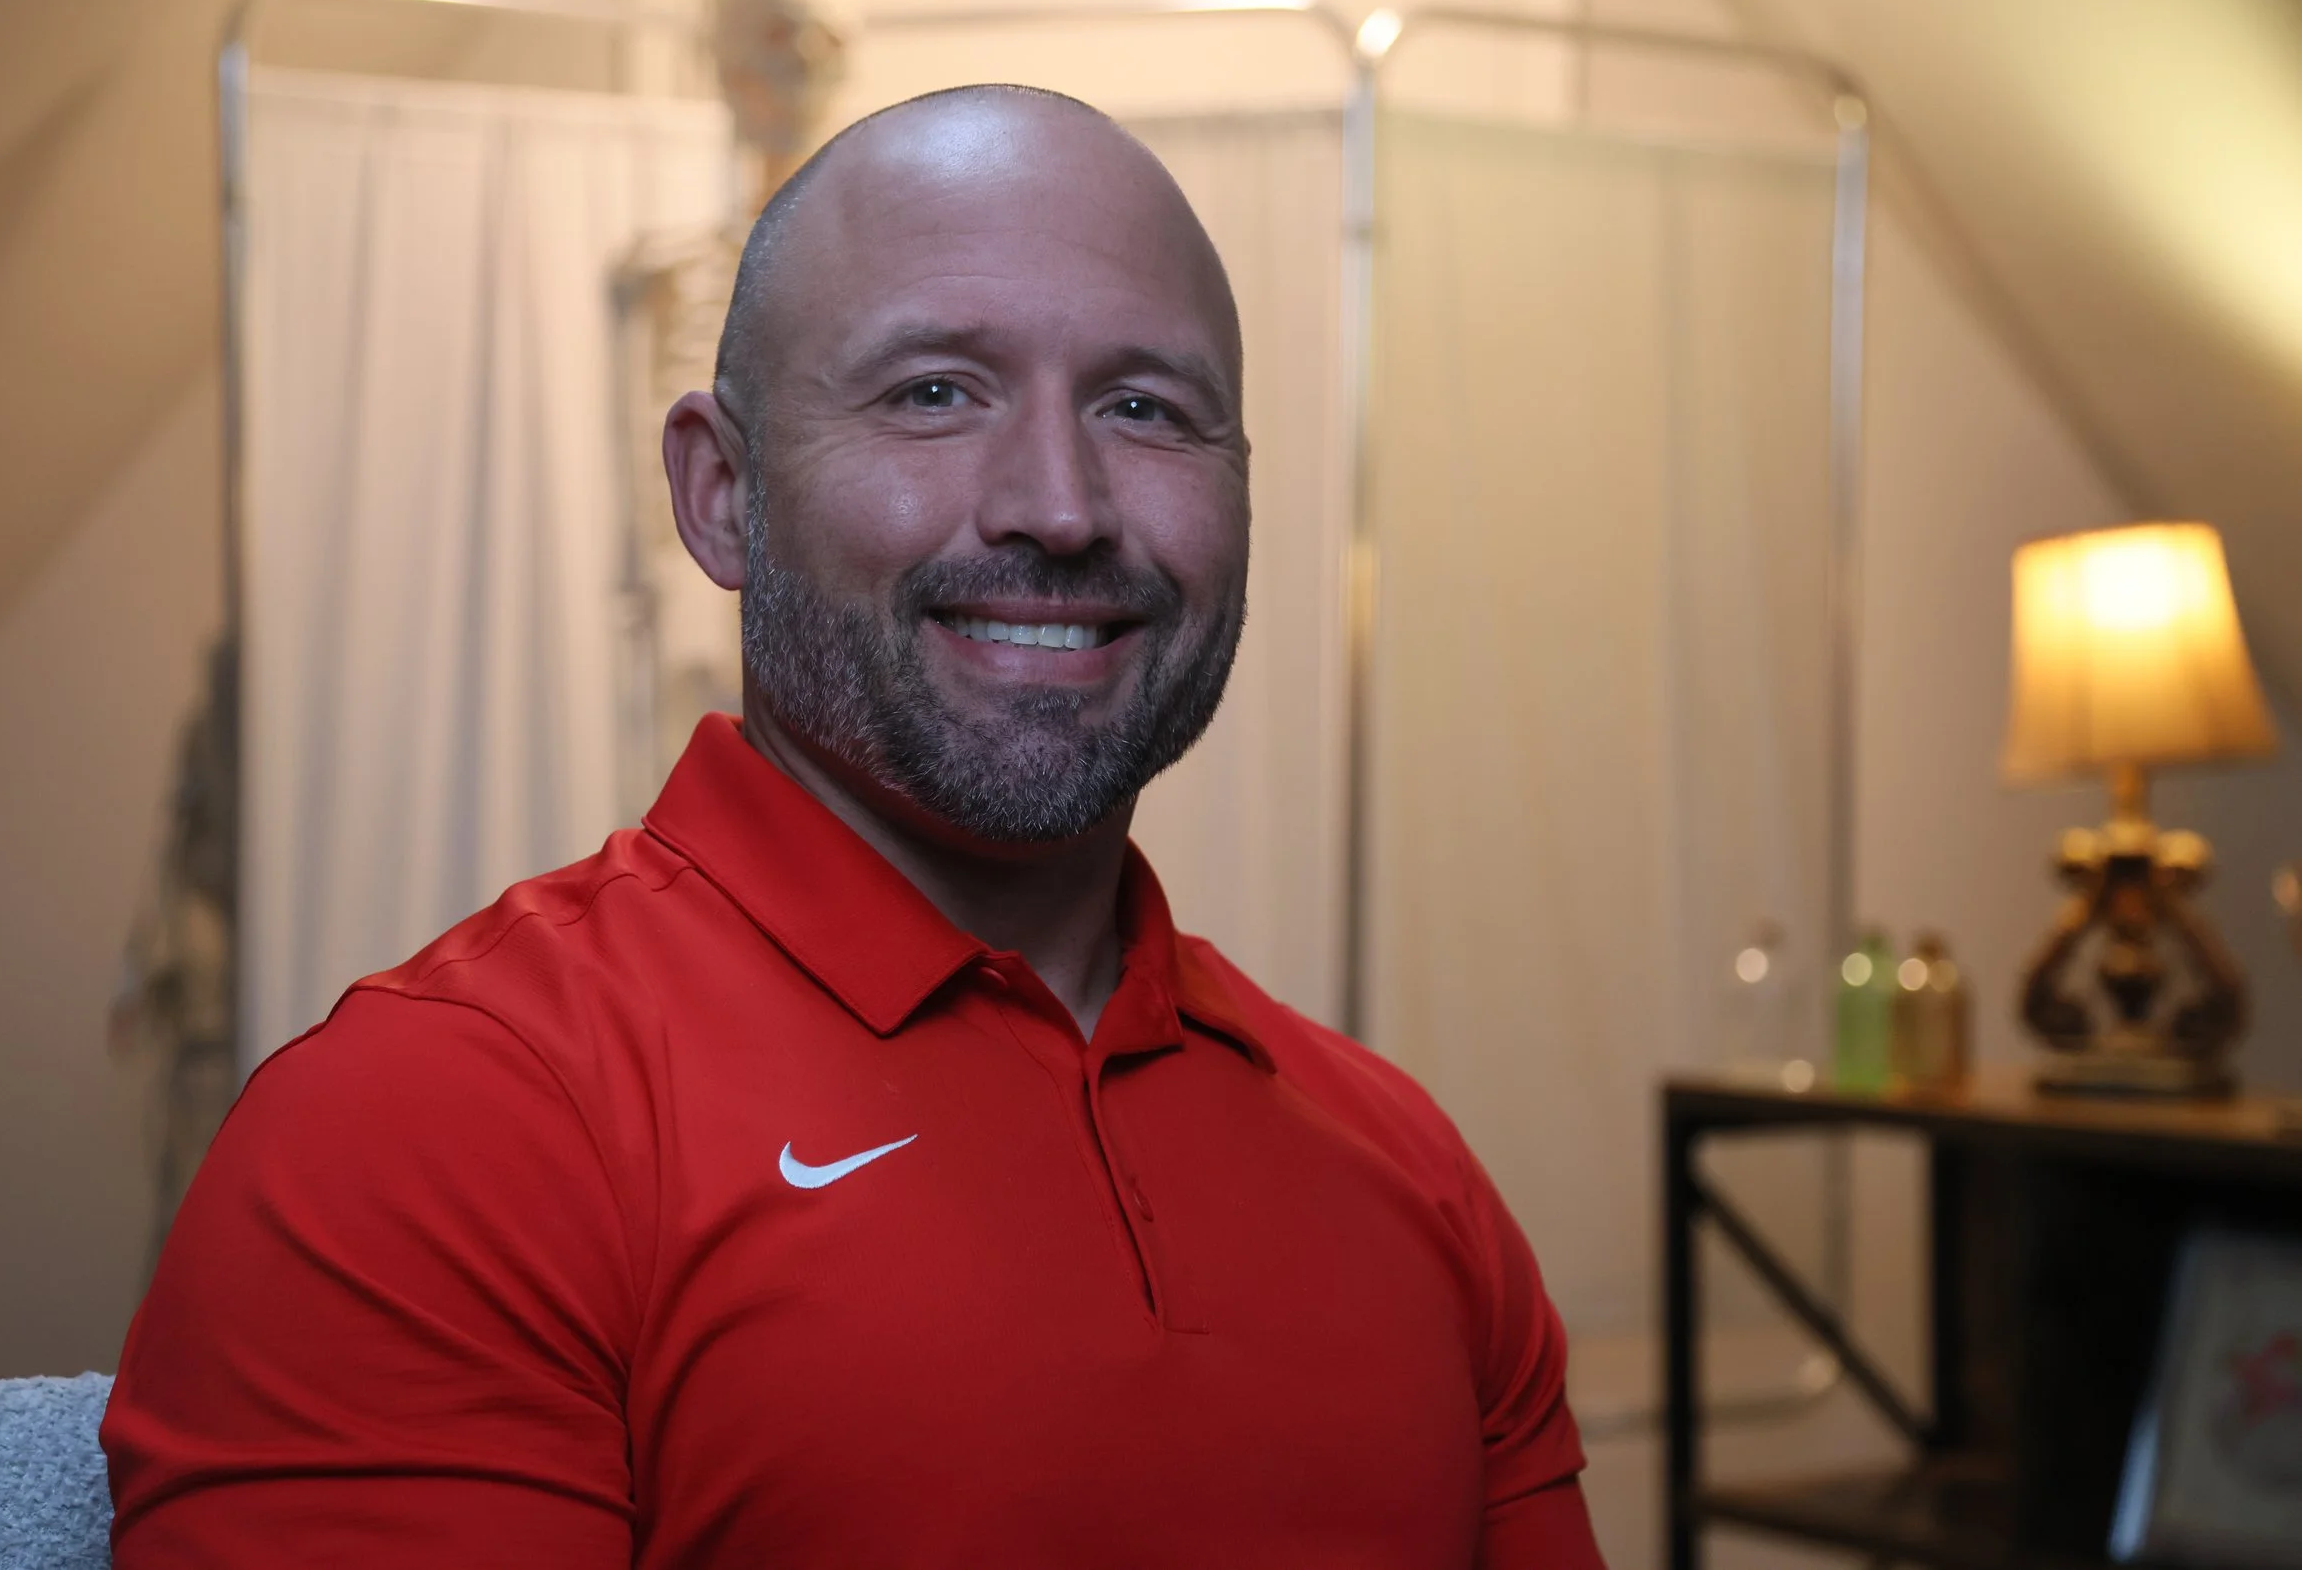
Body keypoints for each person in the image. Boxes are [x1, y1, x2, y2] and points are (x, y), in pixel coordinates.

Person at [102, 83, 1603, 1568]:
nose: (1058, 504)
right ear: (722, 495)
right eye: (935, 392)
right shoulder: (438, 1131)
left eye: (1145, 408)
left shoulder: (1405, 1165)